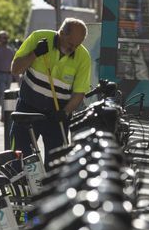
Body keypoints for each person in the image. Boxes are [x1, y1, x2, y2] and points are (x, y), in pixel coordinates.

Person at [10, 18, 91, 170]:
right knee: (20, 158)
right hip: (28, 109)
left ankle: (49, 192)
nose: (73, 48)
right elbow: (15, 69)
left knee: (56, 163)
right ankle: (20, 191)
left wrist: (66, 111)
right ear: (61, 33)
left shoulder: (83, 57)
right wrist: (35, 54)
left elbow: (79, 92)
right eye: (70, 44)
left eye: (77, 45)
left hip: (56, 114)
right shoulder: (38, 38)